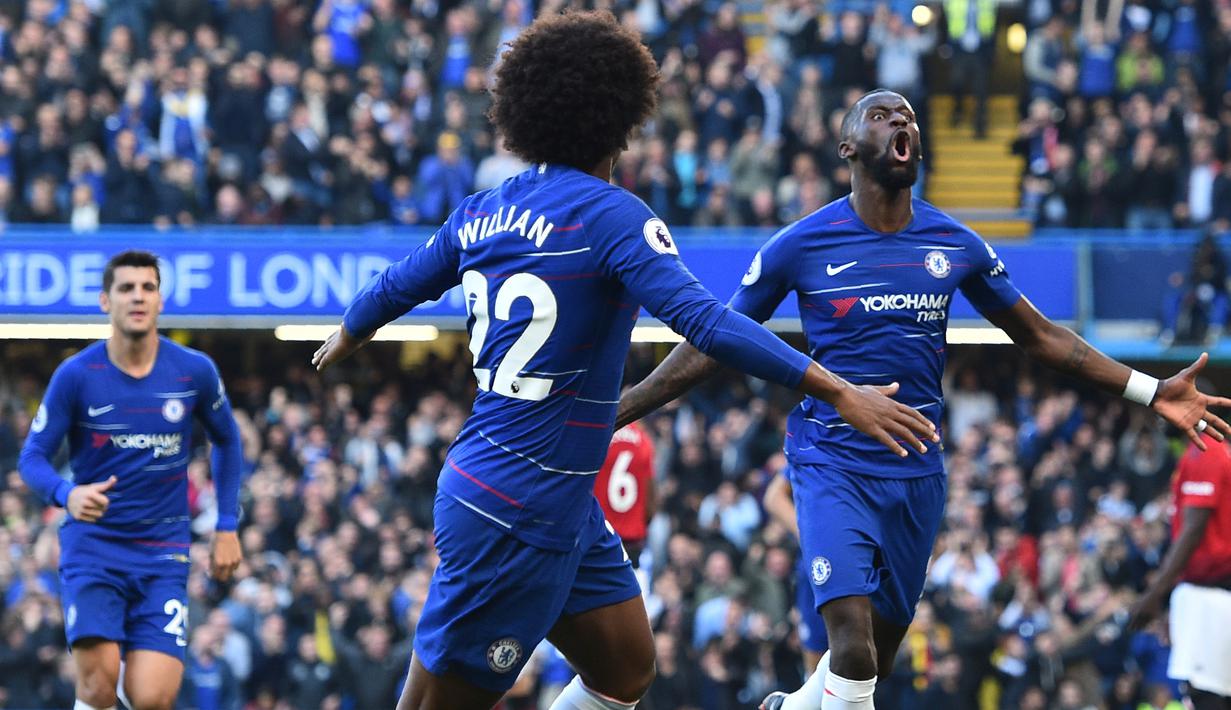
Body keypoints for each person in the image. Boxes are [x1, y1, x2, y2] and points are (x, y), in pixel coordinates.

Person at [310, 14, 937, 710]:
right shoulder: (612, 216)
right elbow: (707, 323)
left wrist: (349, 329)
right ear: (619, 118)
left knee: (625, 668)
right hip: (513, 510)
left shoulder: (479, 211)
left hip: (549, 497)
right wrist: (836, 388)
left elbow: (400, 282)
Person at [613, 89, 1231, 710]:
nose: (900, 121)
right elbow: (715, 338)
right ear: (848, 146)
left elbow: (1041, 337)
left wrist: (1149, 390)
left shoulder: (955, 243)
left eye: (907, 115)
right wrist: (621, 408)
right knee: (851, 648)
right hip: (832, 462)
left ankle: (796, 704)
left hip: (917, 471)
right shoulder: (799, 245)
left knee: (872, 660)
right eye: (881, 115)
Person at [18, 249, 244, 710]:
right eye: (126, 288)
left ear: (161, 300)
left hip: (163, 553)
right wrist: (67, 493)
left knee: (152, 698)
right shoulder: (77, 375)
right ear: (106, 301)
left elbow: (228, 441)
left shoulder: (193, 371)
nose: (137, 297)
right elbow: (33, 457)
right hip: (94, 548)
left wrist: (226, 526)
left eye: (147, 287)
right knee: (98, 689)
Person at [1129, 432, 1231, 710]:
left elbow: (1194, 528)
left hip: (1210, 593)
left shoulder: (1205, 450)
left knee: (1205, 696)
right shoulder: (1217, 451)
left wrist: (1154, 593)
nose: (1161, 416)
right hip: (1213, 592)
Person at [764, 474, 828, 673]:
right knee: (817, 667)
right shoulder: (817, 444)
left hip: (866, 563)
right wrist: (812, 538)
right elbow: (774, 497)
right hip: (819, 569)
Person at [593, 420, 656, 568]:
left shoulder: (601, 435)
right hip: (632, 540)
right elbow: (651, 501)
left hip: (600, 536)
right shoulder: (644, 442)